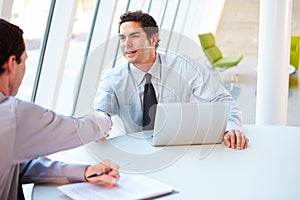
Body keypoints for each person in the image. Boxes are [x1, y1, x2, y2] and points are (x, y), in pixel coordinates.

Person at [0, 19, 120, 200]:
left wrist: (83, 172)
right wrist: (104, 116)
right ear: (11, 63)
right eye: (24, 61)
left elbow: (14, 168)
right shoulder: (11, 114)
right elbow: (81, 129)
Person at [94, 10, 249, 150]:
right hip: (136, 151)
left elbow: (223, 100)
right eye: (122, 38)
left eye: (134, 36)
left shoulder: (183, 66)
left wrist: (231, 128)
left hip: (179, 148)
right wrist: (99, 126)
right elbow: (101, 112)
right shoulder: (112, 78)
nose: (126, 44)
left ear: (153, 39)